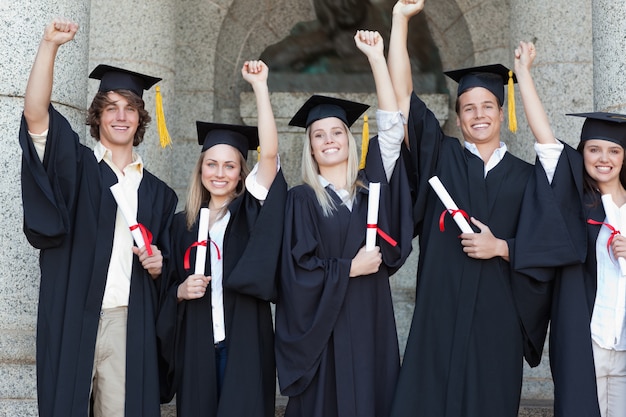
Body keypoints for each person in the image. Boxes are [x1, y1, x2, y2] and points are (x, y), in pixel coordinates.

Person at [387, 2, 551, 417]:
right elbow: (403, 96)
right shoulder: (439, 157)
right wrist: (400, 21)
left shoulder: (527, 178)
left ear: (501, 112)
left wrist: (502, 247)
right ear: (458, 118)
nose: (478, 115)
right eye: (468, 108)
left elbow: (548, 246)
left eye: (487, 107)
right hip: (438, 318)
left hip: (496, 326)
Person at [19, 18, 178, 417]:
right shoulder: (76, 165)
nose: (120, 116)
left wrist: (159, 266)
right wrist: (49, 46)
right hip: (72, 314)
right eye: (111, 108)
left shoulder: (159, 194)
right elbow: (36, 113)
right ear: (97, 116)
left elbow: (166, 273)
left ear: (142, 117)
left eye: (130, 108)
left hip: (128, 321)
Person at [274, 30, 414, 417]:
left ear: (350, 140)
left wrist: (376, 59)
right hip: (325, 326)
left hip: (371, 316)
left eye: (337, 132)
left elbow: (390, 130)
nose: (329, 139)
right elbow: (297, 271)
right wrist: (350, 269)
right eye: (319, 135)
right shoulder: (301, 199)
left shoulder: (371, 188)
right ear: (311, 147)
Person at [156, 60, 286, 417]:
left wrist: (260, 86)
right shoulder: (180, 225)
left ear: (241, 172)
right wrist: (180, 292)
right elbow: (163, 288)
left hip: (244, 336)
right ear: (200, 170)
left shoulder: (250, 214)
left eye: (230, 166)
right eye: (211, 164)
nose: (220, 173)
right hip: (197, 339)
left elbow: (270, 155)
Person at [513, 40, 626, 417]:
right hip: (587, 341)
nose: (604, 159)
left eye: (613, 151)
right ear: (583, 153)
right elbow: (545, 139)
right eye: (594, 149)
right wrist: (524, 73)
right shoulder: (577, 199)